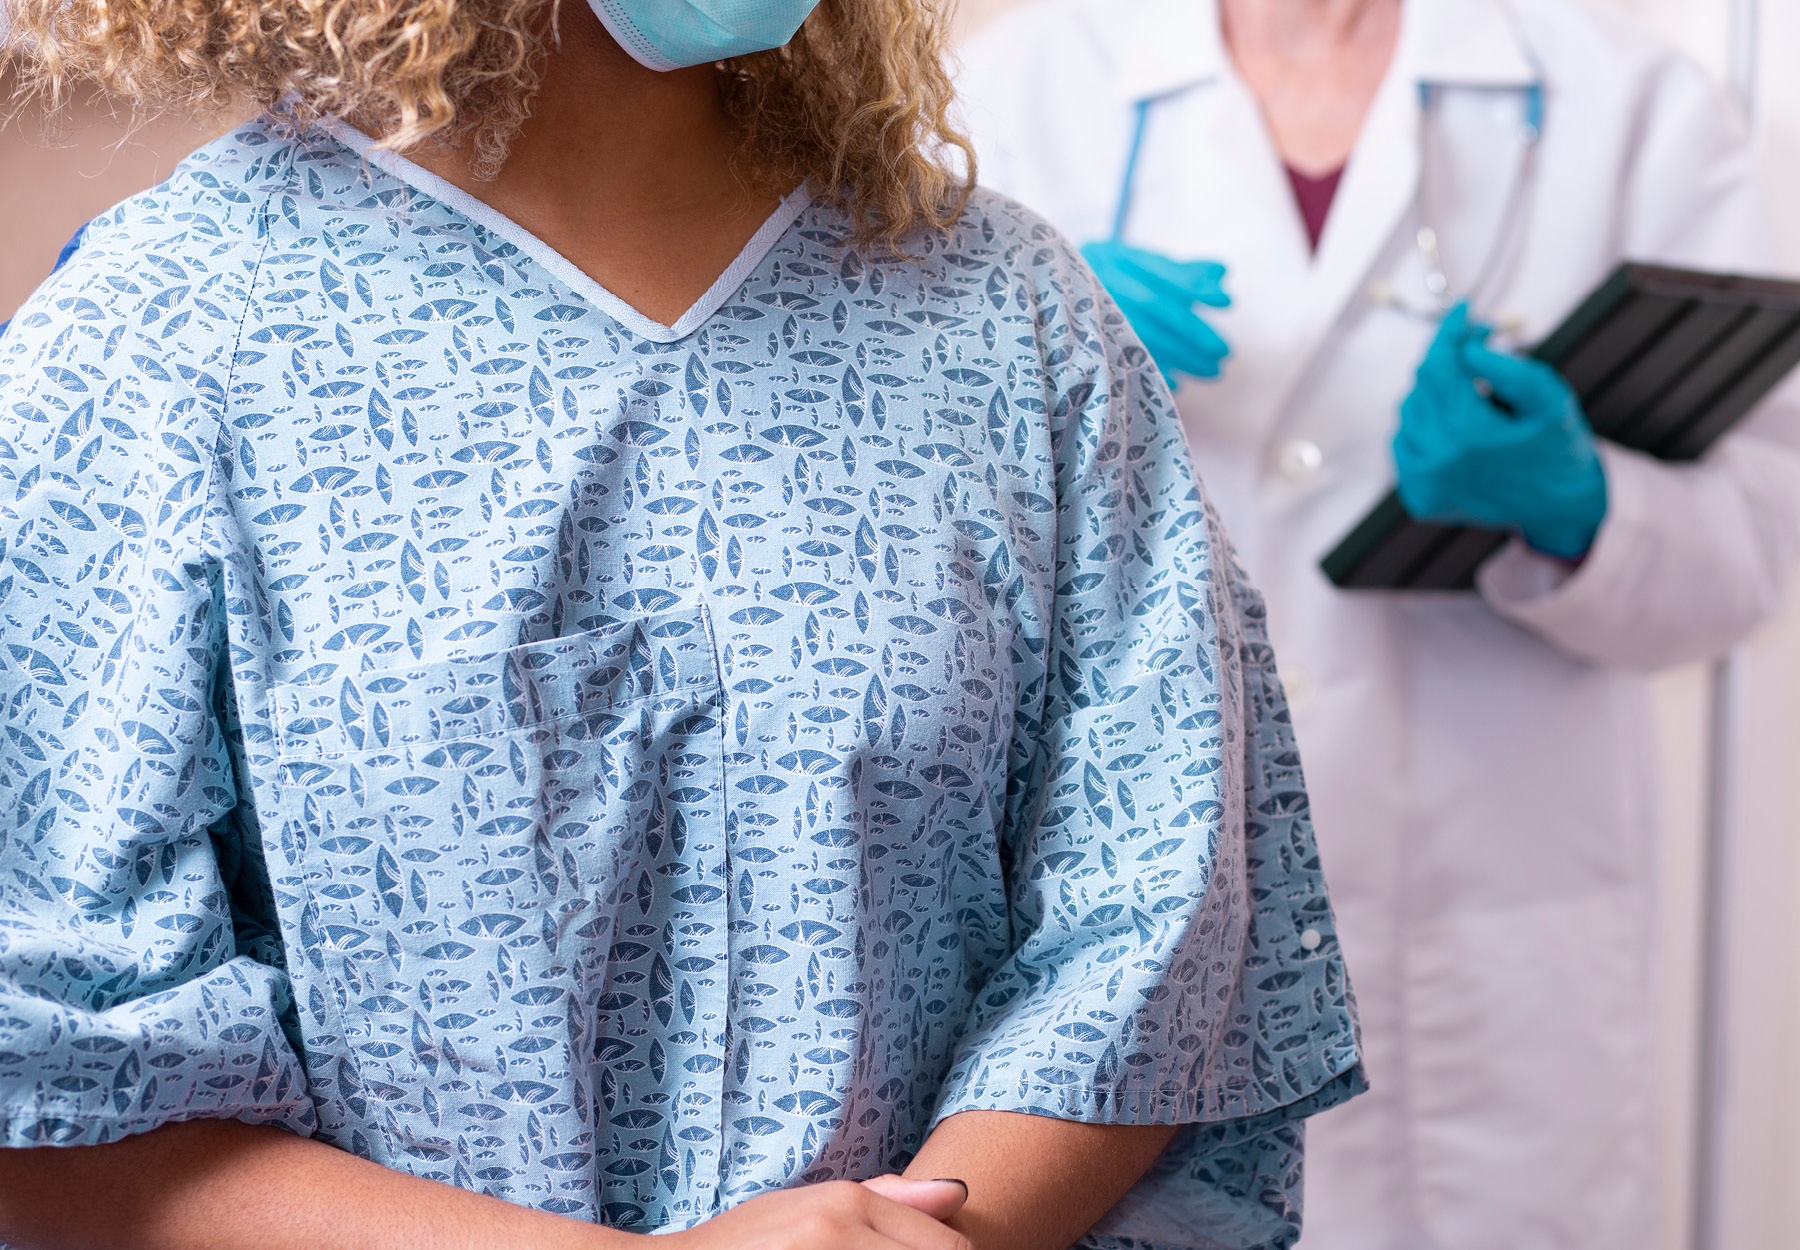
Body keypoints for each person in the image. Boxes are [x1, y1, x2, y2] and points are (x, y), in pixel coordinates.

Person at [0, 0, 1363, 1248]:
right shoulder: (156, 343)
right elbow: (48, 1098)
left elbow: (1168, 932)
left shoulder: (1005, 316)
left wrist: (934, 1234)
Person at [955, 0, 1800, 1246]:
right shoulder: (1013, 90)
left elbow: (1749, 557)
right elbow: (902, 552)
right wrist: (1009, 355)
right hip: (1124, 939)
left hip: (1496, 947)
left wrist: (1582, 510)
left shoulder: (1627, 98)